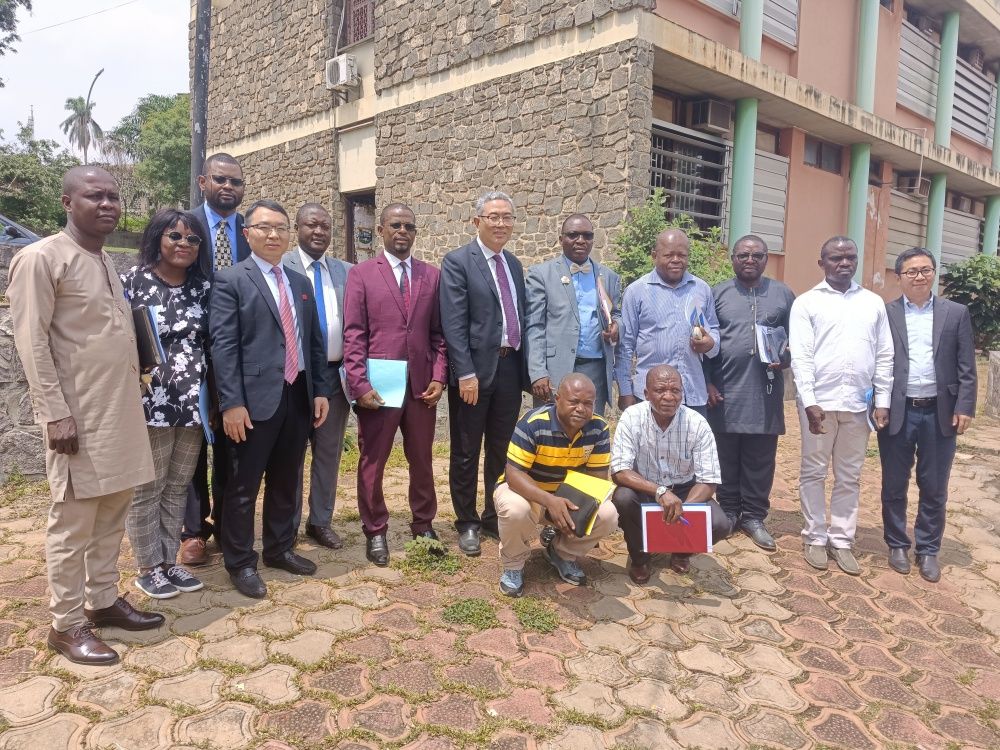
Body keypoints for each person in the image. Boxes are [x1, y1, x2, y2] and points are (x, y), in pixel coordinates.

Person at [7, 166, 162, 665]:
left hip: (119, 410)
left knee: (112, 511)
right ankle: (66, 622)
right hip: (77, 416)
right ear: (67, 202)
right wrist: (54, 413)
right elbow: (31, 341)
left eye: (113, 196)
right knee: (73, 521)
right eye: (95, 196)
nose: (108, 204)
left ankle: (102, 600)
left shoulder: (104, 260)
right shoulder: (41, 258)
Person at [209, 199, 332, 599]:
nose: (273, 234)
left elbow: (314, 342)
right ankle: (241, 562)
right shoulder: (231, 280)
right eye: (264, 227)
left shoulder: (300, 283)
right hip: (251, 402)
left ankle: (279, 549)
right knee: (243, 486)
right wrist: (231, 403)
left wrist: (320, 391)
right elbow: (223, 346)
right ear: (247, 234)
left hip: (297, 396)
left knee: (286, 480)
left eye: (280, 227)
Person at [343, 203, 448, 566]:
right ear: (382, 230)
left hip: (421, 388)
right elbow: (354, 334)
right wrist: (359, 384)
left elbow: (438, 335)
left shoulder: (431, 276)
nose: (403, 231)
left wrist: (439, 376)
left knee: (422, 459)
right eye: (396, 225)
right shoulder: (361, 275)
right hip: (379, 389)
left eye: (409, 226)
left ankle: (424, 524)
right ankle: (375, 530)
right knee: (373, 461)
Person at [121, 209, 212, 599]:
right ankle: (148, 567)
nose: (184, 244)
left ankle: (168, 561)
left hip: (194, 404)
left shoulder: (203, 288)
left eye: (192, 239)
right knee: (148, 487)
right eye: (175, 236)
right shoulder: (133, 282)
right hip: (150, 402)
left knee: (177, 486)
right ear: (157, 237)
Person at [790, 236, 893, 576]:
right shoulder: (807, 303)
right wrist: (809, 401)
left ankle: (842, 540)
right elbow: (801, 357)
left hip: (858, 405)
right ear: (822, 263)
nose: (844, 263)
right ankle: (815, 537)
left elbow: (884, 355)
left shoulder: (873, 304)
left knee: (849, 476)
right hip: (819, 405)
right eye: (836, 258)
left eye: (850, 257)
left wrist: (883, 400)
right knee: (814, 472)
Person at [878, 247, 976, 583]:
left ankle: (929, 548)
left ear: (934, 273)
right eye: (911, 271)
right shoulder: (886, 313)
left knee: (934, 485)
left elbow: (967, 366)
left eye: (925, 270)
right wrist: (879, 403)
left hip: (940, 412)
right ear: (899, 277)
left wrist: (965, 406)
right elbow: (878, 362)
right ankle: (897, 544)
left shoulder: (956, 313)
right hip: (899, 411)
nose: (919, 277)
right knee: (894, 483)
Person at [440, 190, 529, 557]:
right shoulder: (458, 262)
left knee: (501, 449)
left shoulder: (514, 264)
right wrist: (464, 372)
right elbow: (453, 323)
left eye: (507, 217)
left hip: (509, 368)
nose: (501, 223)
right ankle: (467, 521)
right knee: (466, 449)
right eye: (494, 217)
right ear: (477, 221)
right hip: (474, 373)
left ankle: (494, 515)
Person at [181, 152, 253, 566]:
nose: (228, 187)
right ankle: (193, 531)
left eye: (235, 182)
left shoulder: (251, 230)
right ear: (203, 182)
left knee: (233, 441)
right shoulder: (184, 226)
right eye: (220, 179)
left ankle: (227, 523)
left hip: (238, 353)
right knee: (192, 443)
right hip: (189, 351)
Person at [706, 235, 795, 551]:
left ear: (766, 259)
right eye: (743, 255)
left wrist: (786, 357)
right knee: (725, 456)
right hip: (724, 391)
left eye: (757, 255)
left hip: (765, 393)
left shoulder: (783, 294)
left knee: (760, 458)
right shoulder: (717, 294)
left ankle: (754, 516)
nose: (750, 260)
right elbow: (703, 341)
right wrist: (707, 382)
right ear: (733, 258)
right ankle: (730, 512)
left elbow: (797, 340)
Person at [495, 374, 618, 596]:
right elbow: (514, 475)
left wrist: (577, 511)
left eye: (588, 403)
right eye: (574, 401)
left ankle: (562, 553)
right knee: (515, 510)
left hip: (566, 498)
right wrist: (550, 501)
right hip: (527, 493)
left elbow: (597, 479)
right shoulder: (533, 423)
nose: (581, 409)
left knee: (608, 514)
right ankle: (513, 564)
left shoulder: (598, 427)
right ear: (557, 399)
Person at [611, 365, 733, 582]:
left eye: (675, 390)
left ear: (682, 393)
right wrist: (660, 492)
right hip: (646, 487)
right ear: (646, 394)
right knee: (623, 498)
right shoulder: (632, 417)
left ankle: (680, 550)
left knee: (720, 524)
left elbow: (708, 480)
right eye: (660, 390)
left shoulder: (697, 423)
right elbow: (620, 471)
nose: (668, 397)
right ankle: (640, 557)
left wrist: (682, 509)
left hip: (685, 489)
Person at [282, 203, 352, 550]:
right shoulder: (281, 267)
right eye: (312, 225)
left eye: (325, 226)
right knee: (291, 454)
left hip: (335, 376)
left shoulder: (346, 271)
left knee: (328, 453)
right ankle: (287, 525)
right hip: (296, 377)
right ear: (297, 228)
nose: (319, 231)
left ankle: (320, 521)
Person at [525, 214, 621, 416]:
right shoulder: (541, 275)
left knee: (590, 426)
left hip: (595, 369)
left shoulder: (608, 276)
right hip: (555, 370)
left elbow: (616, 313)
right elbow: (534, 326)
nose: (580, 240)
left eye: (587, 235)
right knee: (550, 428)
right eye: (573, 235)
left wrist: (617, 327)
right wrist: (538, 372)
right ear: (561, 239)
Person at [616, 228, 719, 415]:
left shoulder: (701, 289)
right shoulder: (636, 291)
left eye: (682, 255)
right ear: (654, 256)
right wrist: (625, 390)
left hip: (692, 394)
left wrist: (710, 344)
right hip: (649, 396)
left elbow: (714, 330)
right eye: (669, 255)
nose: (676, 260)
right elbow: (625, 345)